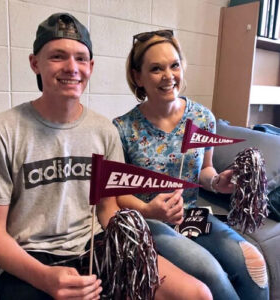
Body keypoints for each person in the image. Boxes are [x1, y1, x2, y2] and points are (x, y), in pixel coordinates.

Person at [0, 14, 212, 300]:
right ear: (34, 63)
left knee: (197, 294)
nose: (71, 68)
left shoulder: (104, 131)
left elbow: (106, 209)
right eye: (57, 56)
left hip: (96, 246)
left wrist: (133, 244)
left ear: (90, 66)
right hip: (31, 259)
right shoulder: (0, 132)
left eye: (81, 58)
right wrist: (45, 279)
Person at [113, 29, 269, 300]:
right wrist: (150, 209)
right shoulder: (122, 129)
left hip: (191, 216)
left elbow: (204, 171)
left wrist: (217, 182)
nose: (168, 76)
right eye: (156, 69)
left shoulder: (201, 117)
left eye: (174, 65)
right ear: (138, 77)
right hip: (149, 221)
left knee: (253, 263)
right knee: (209, 272)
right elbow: (116, 195)